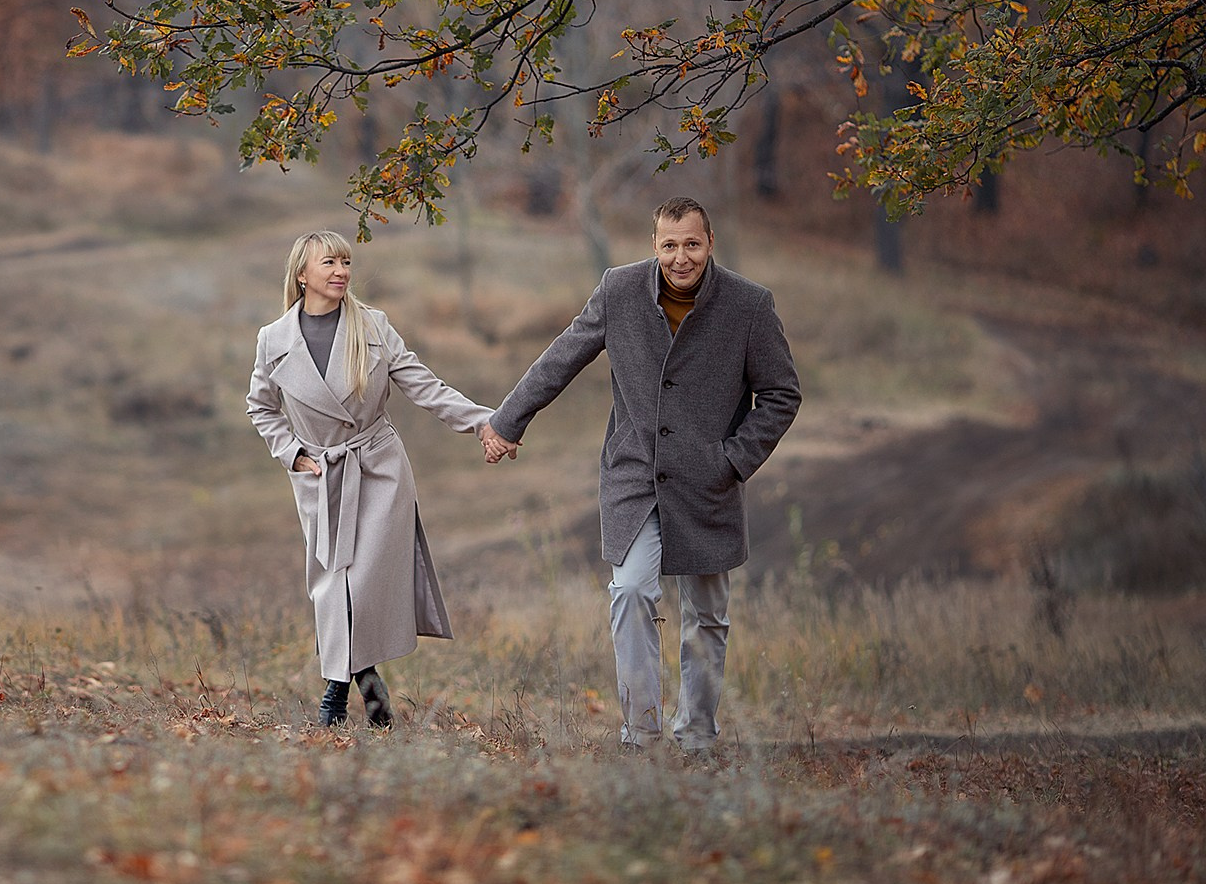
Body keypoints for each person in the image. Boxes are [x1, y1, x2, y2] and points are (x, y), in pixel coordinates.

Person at [480, 197, 799, 753]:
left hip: (709, 485)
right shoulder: (619, 291)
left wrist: (733, 460)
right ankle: (641, 734)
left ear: (710, 242)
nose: (681, 258)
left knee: (707, 615)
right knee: (629, 590)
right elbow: (563, 356)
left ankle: (697, 734)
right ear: (654, 246)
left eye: (692, 244)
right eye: (670, 245)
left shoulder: (749, 306)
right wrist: (508, 420)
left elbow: (781, 394)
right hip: (635, 478)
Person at [246, 230, 494, 727]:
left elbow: (422, 384)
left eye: (346, 261)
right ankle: (373, 695)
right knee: (333, 589)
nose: (341, 271)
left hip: (378, 470)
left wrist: (486, 421)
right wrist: (293, 454)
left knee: (359, 588)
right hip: (320, 476)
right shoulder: (273, 338)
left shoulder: (374, 326)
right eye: (329, 262)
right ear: (302, 274)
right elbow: (261, 407)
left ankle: (334, 700)